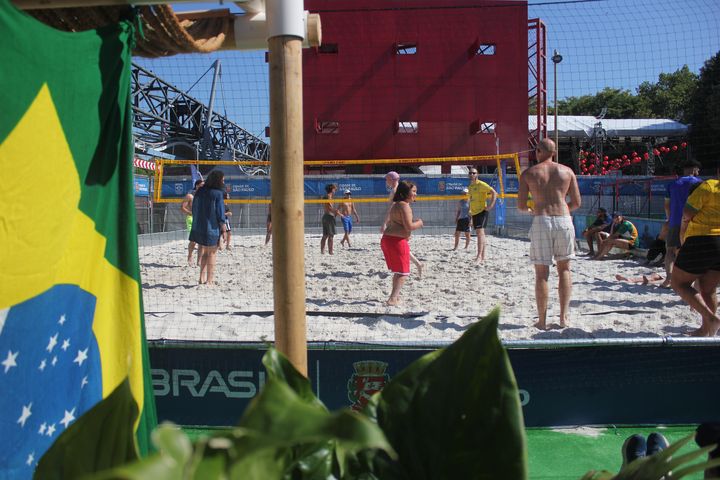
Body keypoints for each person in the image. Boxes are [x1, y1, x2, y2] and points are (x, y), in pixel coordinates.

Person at [517, 138, 581, 330]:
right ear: (554, 152)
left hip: (542, 219)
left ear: (538, 151)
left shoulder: (529, 173)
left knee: (542, 273)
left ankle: (543, 321)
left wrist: (532, 211)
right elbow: (577, 202)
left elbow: (521, 206)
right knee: (565, 269)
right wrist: (563, 211)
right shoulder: (567, 171)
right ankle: (563, 318)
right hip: (563, 218)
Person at [670, 175, 720, 337]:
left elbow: (687, 213)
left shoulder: (708, 186)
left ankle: (710, 319)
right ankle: (706, 330)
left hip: (703, 239)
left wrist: (685, 230)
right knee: (708, 289)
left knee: (679, 283)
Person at [380, 181, 423, 305]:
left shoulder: (396, 204)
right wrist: (419, 223)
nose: (416, 194)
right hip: (396, 241)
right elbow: (409, 226)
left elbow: (399, 223)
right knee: (403, 273)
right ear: (406, 193)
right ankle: (393, 299)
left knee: (398, 272)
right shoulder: (404, 205)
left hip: (388, 239)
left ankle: (395, 297)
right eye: (413, 191)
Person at [661, 159, 702, 288]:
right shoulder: (700, 184)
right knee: (694, 252)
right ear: (695, 169)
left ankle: (668, 279)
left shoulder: (672, 184)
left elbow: (667, 206)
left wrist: (669, 219)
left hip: (675, 221)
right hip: (692, 222)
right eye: (698, 170)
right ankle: (694, 282)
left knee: (670, 251)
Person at [382, 171, 424, 277]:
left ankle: (418, 264)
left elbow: (392, 210)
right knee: (401, 271)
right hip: (396, 230)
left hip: (392, 229)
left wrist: (385, 223)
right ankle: (418, 264)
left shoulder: (396, 192)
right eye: (414, 191)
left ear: (392, 179)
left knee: (403, 248)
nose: (386, 181)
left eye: (387, 179)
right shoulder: (399, 195)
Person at [189, 171, 226, 285]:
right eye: (223, 180)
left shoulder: (199, 191)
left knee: (205, 252)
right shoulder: (218, 193)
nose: (223, 181)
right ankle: (209, 280)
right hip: (211, 227)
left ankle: (201, 278)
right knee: (212, 254)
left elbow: (194, 209)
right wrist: (223, 228)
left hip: (199, 226)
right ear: (218, 180)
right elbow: (220, 213)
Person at [467, 167, 497, 262]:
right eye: (470, 173)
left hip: (482, 212)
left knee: (480, 234)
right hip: (475, 212)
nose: (472, 174)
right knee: (481, 234)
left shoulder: (481, 184)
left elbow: (494, 193)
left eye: (474, 173)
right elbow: (471, 201)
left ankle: (479, 256)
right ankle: (482, 257)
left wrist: (491, 206)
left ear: (477, 174)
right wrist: (471, 215)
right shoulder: (470, 187)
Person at [181, 179, 204, 266]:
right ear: (197, 185)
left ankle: (199, 261)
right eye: (202, 185)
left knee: (201, 242)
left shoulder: (205, 196)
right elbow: (182, 207)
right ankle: (190, 256)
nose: (203, 186)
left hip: (201, 219)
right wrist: (191, 213)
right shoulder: (190, 196)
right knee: (193, 241)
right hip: (191, 218)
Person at [321, 183, 340, 254]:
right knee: (331, 236)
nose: (336, 190)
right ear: (332, 189)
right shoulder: (328, 196)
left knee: (325, 235)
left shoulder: (327, 196)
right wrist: (339, 213)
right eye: (335, 189)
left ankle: (322, 251)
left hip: (326, 216)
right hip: (329, 217)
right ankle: (330, 251)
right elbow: (329, 208)